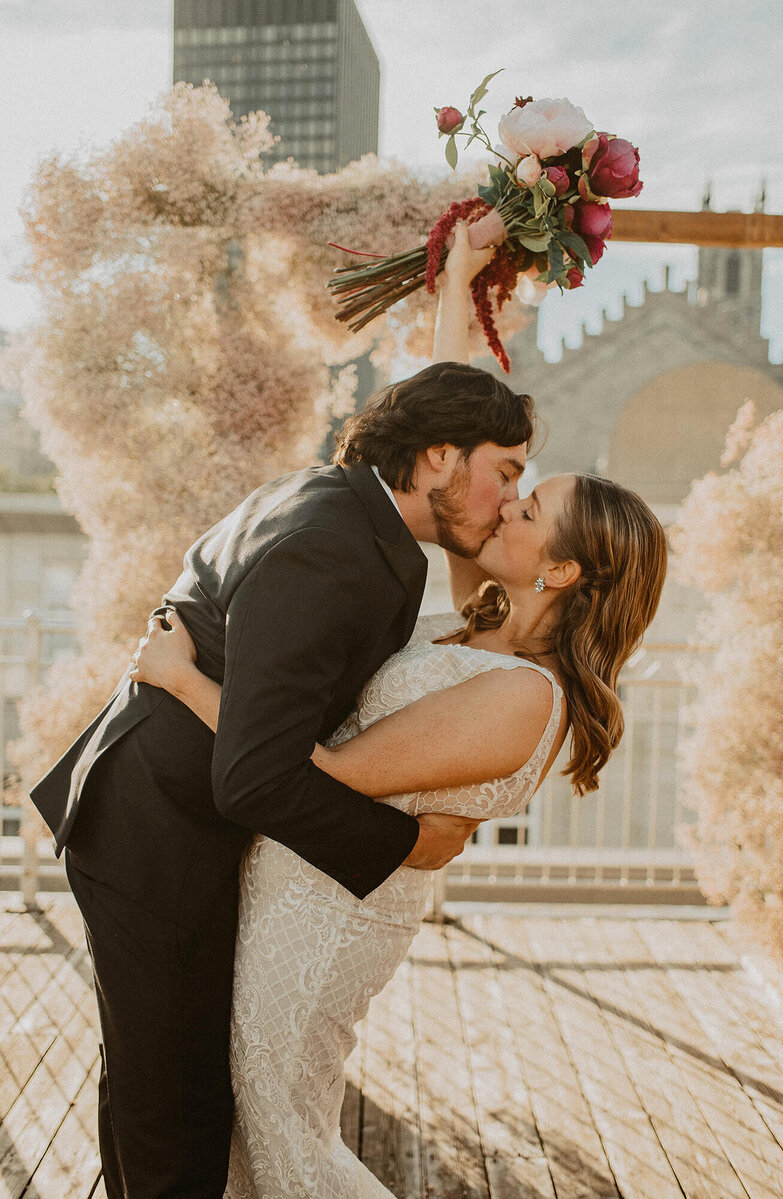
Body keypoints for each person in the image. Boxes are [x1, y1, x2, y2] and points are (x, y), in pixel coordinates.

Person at [131, 225, 668, 1198]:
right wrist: (460, 278)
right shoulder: (485, 620)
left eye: (524, 503)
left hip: (326, 915)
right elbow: (448, 441)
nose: (500, 501)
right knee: (258, 1135)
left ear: (557, 569)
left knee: (286, 1128)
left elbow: (323, 763)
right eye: (510, 482)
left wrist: (178, 679)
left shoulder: (519, 692)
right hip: (297, 879)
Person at [28, 223, 536, 1199]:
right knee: (171, 1088)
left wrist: (461, 286)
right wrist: (405, 841)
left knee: (160, 1072)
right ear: (436, 458)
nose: (509, 493)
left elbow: (256, 721)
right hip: (153, 826)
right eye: (504, 470)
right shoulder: (330, 549)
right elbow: (252, 773)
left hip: (165, 807)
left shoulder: (352, 507)